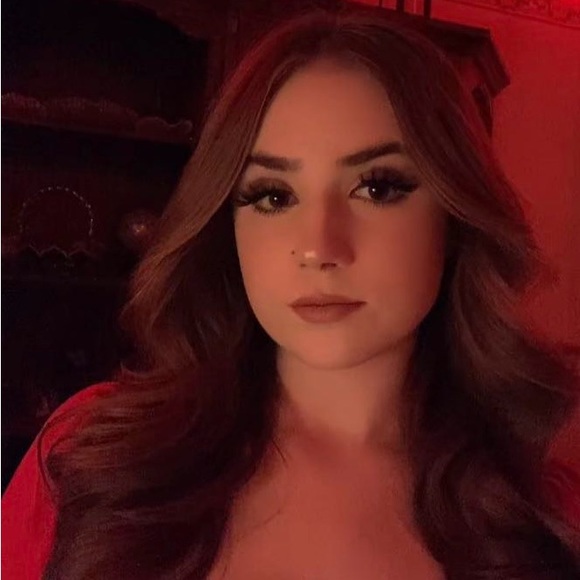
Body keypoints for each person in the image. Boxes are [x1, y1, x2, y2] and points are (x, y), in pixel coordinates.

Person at [3, 5, 580, 579]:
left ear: (454, 217)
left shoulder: (550, 521)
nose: (320, 248)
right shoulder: (89, 462)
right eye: (273, 196)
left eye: (377, 188)